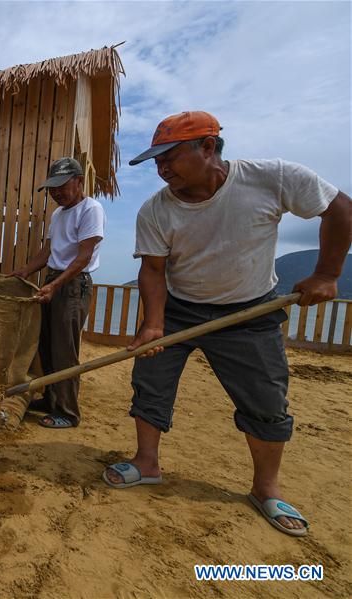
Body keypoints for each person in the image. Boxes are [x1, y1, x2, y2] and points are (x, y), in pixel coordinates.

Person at [102, 111, 351, 538]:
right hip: (180, 308)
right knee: (151, 379)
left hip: (248, 311)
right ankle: (147, 463)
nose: (162, 170)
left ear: (209, 147)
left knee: (266, 400)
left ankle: (264, 489)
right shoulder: (156, 210)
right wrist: (153, 325)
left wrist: (327, 274)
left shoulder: (272, 178)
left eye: (170, 158)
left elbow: (340, 209)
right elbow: (154, 270)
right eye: (156, 163)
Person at [9, 157, 105, 428]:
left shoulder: (91, 209)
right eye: (52, 188)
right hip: (54, 281)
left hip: (73, 285)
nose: (56, 193)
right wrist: (26, 270)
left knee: (65, 350)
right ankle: (51, 399)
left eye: (61, 186)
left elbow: (83, 258)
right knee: (47, 346)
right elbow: (49, 251)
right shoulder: (58, 214)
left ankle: (68, 412)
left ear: (79, 182)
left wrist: (56, 284)